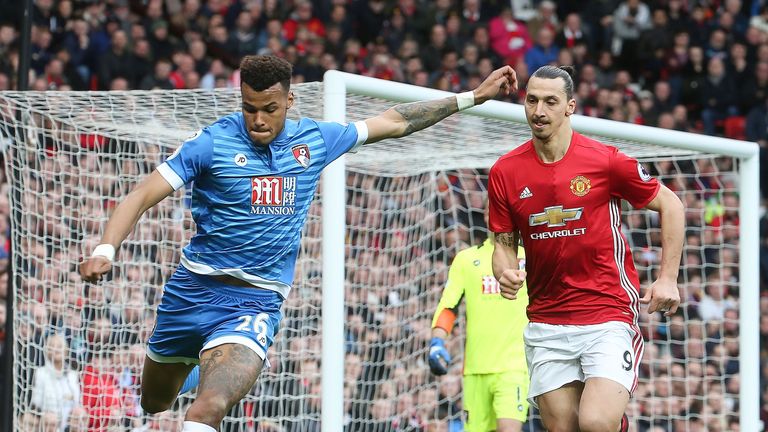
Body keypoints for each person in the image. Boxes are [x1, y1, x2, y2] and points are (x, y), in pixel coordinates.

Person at [79, 55, 517, 432]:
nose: (258, 120)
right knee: (154, 402)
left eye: (269, 108)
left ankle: (209, 370)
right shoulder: (212, 143)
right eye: (249, 109)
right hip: (192, 292)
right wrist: (105, 249)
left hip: (256, 301)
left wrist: (471, 98)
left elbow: (395, 122)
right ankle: (193, 367)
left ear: (289, 100)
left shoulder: (314, 141)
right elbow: (140, 194)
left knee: (209, 408)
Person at [487, 65, 684, 432]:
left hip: (606, 312)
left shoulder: (604, 160)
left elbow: (672, 205)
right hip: (546, 319)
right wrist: (505, 271)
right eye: (531, 100)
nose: (539, 111)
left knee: (595, 422)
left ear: (570, 107)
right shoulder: (505, 171)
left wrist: (667, 278)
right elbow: (503, 242)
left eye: (550, 101)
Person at [428, 199, 529, 432]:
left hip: (514, 366)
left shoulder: (529, 258)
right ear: (485, 216)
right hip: (475, 368)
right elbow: (448, 306)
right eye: (490, 210)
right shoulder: (466, 260)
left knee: (508, 428)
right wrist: (437, 341)